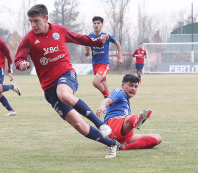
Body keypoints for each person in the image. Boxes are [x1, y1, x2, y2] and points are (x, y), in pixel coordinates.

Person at [15, 4, 123, 158]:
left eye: (36, 21)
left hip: (66, 73)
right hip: (48, 88)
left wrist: (98, 42)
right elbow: (19, 58)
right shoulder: (29, 39)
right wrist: (21, 64)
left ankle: (101, 124)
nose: (33, 25)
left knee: (64, 94)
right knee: (78, 125)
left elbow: (80, 38)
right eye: (30, 21)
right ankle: (112, 144)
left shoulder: (59, 30)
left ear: (46, 19)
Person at [96, 74, 162, 151]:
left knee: (157, 138)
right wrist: (102, 106)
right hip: (113, 127)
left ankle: (123, 147)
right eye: (130, 85)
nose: (133, 89)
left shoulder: (126, 100)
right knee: (128, 118)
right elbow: (106, 101)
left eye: (136, 87)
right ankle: (137, 120)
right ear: (123, 85)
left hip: (124, 135)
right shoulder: (119, 92)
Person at [85, 16, 123, 98]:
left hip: (104, 64)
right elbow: (86, 54)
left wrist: (120, 57)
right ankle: (111, 102)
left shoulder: (106, 35)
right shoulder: (89, 37)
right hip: (95, 64)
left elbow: (118, 44)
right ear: (92, 25)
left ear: (102, 25)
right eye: (94, 23)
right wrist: (87, 51)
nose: (96, 25)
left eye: (98, 23)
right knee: (105, 87)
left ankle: (108, 99)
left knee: (95, 82)